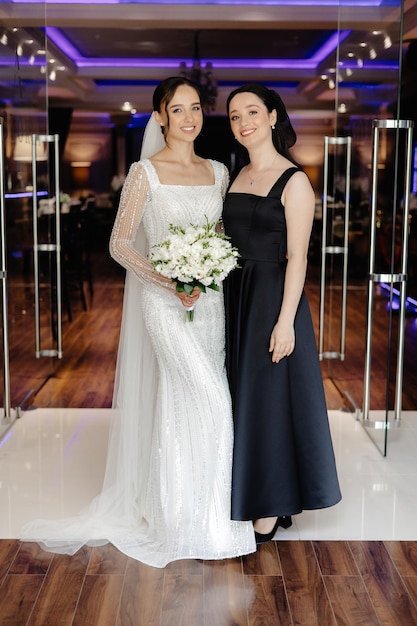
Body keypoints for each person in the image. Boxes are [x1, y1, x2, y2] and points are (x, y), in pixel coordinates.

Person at [20, 77, 256, 567]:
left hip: (209, 304)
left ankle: (201, 516)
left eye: (196, 108)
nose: (190, 118)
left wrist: (208, 267)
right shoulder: (143, 173)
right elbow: (120, 243)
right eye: (178, 109)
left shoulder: (218, 170)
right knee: (207, 400)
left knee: (200, 402)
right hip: (165, 304)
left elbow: (217, 235)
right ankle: (190, 523)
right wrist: (170, 280)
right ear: (161, 116)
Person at [222, 83, 341, 544]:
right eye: (234, 116)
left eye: (252, 111)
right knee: (242, 397)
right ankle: (261, 493)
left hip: (272, 298)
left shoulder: (294, 181)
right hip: (235, 295)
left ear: (273, 117)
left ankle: (271, 506)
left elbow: (299, 258)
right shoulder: (236, 173)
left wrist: (286, 320)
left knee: (268, 400)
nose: (243, 121)